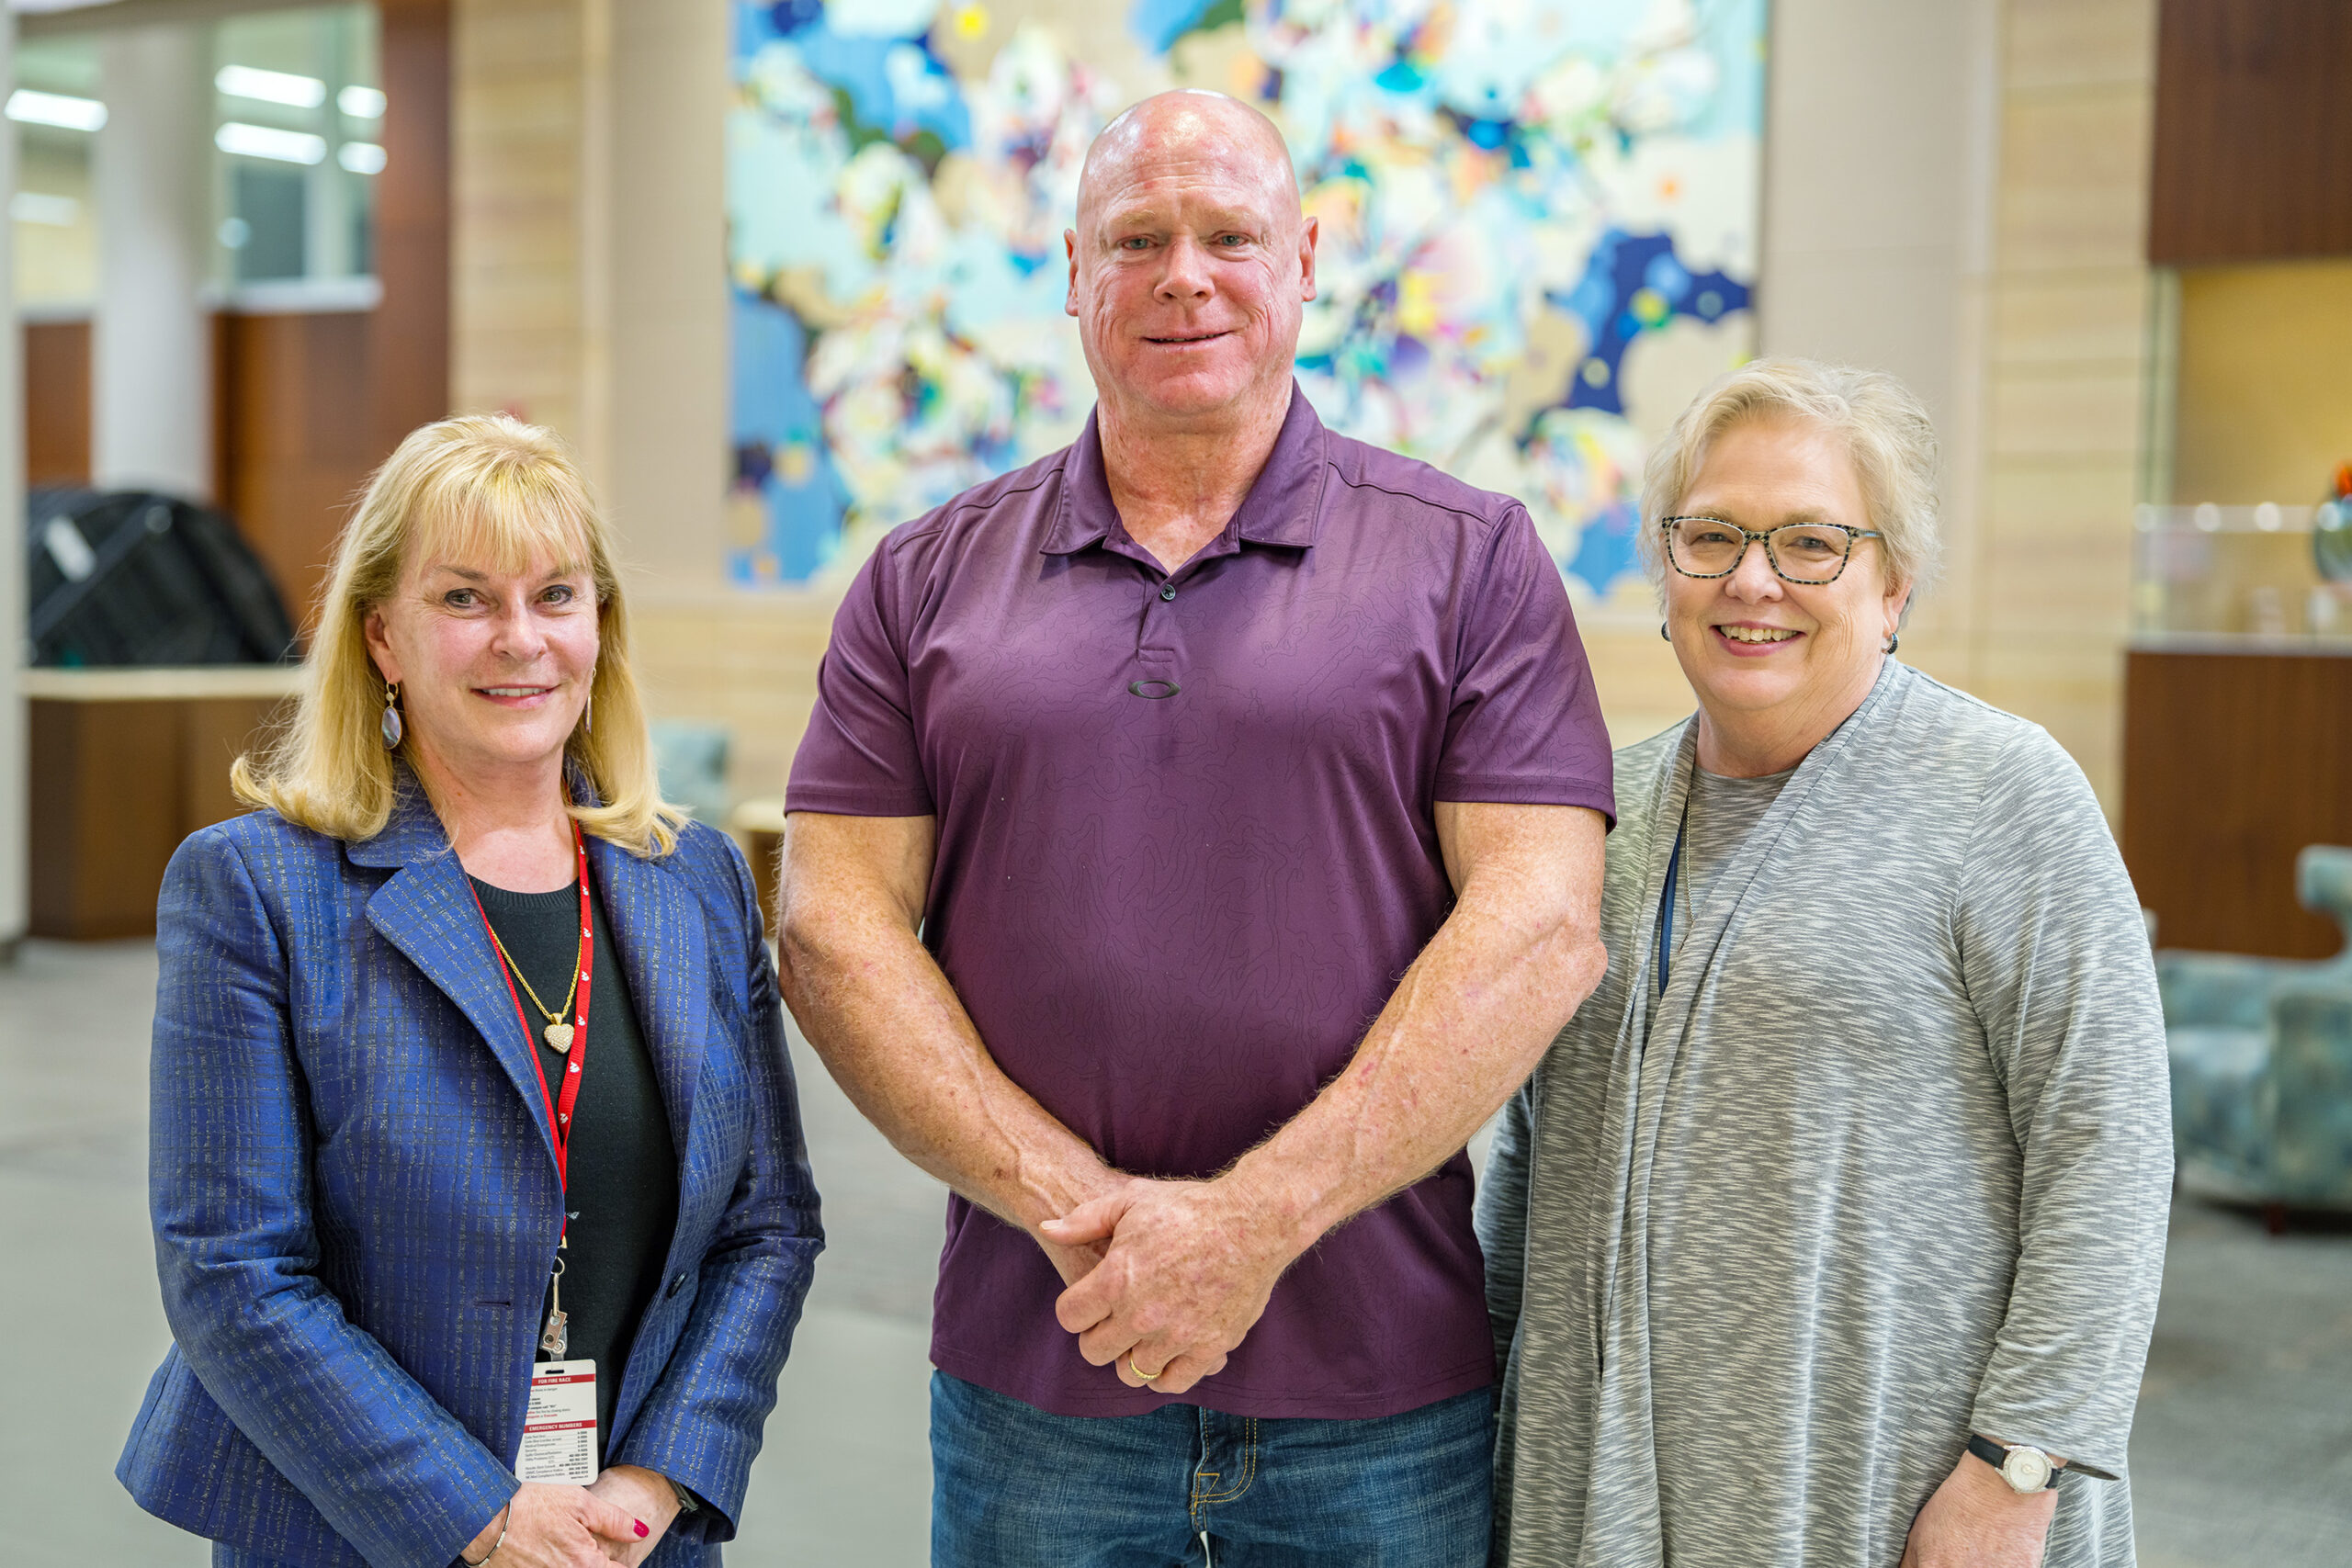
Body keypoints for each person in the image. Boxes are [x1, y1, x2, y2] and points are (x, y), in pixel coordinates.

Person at [777, 89, 1613, 1566]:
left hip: (1378, 1391)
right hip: (1039, 1378)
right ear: (1075, 272)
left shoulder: (1469, 560)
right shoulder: (923, 581)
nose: (1185, 274)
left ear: (1304, 261)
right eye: (1137, 238)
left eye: (1230, 234)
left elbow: (1540, 928)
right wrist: (1090, 1220)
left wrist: (1247, 1227)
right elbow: (832, 930)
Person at [1476, 358, 2173, 1568]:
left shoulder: (2003, 793)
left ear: (1894, 582)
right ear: (1664, 569)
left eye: (1811, 542)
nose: (1753, 580)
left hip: (1901, 1492)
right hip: (1599, 1486)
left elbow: (2107, 1141)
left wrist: (2019, 1465)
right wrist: (1479, 1412)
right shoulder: (1603, 817)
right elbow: (1538, 1156)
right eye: (1713, 536)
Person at [117, 414, 823, 1568]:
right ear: (381, 634)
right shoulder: (256, 889)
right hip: (357, 1530)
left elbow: (766, 1227)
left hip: (628, 1536)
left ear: (600, 626)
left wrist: (654, 1483)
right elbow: (232, 1272)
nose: (520, 640)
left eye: (557, 596)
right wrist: (483, 1518)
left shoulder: (691, 882)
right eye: (464, 599)